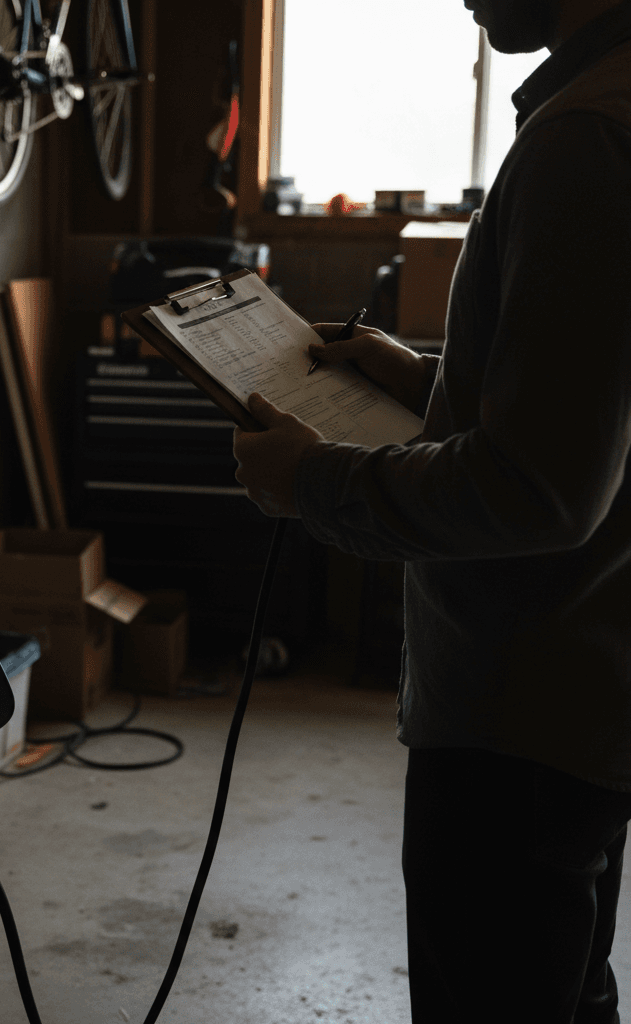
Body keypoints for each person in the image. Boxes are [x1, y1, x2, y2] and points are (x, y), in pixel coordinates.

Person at [232, 1, 631, 1020]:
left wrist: (310, 482)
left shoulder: (583, 140)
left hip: (516, 720)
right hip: (583, 695)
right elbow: (587, 410)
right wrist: (423, 383)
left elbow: (538, 487)